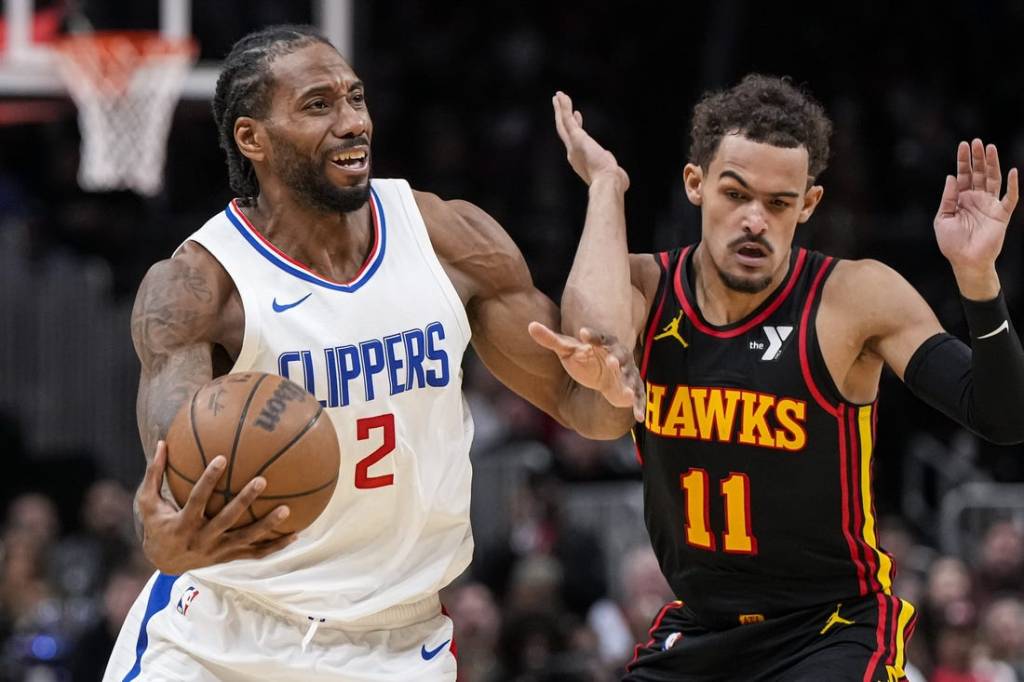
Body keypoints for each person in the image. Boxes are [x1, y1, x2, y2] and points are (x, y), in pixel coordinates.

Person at [104, 24, 639, 681]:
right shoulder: (199, 287)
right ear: (253, 138)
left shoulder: (449, 239)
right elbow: (169, 499)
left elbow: (587, 411)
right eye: (318, 105)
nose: (353, 121)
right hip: (221, 639)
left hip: (394, 646)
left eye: (355, 99)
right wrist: (161, 531)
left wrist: (612, 391)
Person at [531, 75, 1024, 680]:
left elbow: (1002, 417)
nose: (754, 220)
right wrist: (606, 184)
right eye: (735, 194)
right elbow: (594, 337)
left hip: (831, 627)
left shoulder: (853, 298)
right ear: (695, 184)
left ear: (809, 205)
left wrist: (978, 282)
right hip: (702, 625)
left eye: (778, 203)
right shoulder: (646, 288)